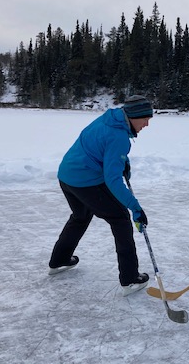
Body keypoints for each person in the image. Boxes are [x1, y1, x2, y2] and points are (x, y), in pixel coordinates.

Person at [48, 95, 153, 296]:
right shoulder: (119, 137)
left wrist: (122, 161)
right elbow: (113, 180)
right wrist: (135, 208)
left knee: (81, 216)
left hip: (67, 176)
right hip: (85, 181)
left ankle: (59, 260)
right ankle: (129, 279)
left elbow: (99, 147)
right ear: (133, 116)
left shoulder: (109, 119)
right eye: (144, 119)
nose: (146, 124)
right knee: (121, 219)